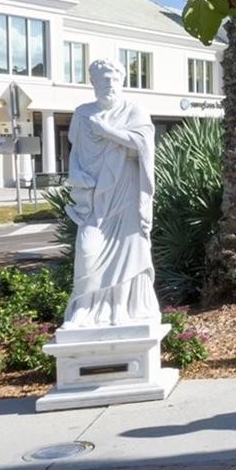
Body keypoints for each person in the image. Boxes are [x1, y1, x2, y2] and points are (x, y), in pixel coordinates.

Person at [62, 59, 161, 328]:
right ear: (93, 83)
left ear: (122, 82)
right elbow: (76, 153)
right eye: (104, 79)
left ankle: (121, 308)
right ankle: (84, 307)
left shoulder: (133, 109)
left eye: (115, 79)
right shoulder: (82, 114)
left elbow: (142, 145)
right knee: (87, 251)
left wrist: (107, 131)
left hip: (126, 191)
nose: (110, 84)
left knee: (129, 252)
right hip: (94, 197)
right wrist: (76, 175)